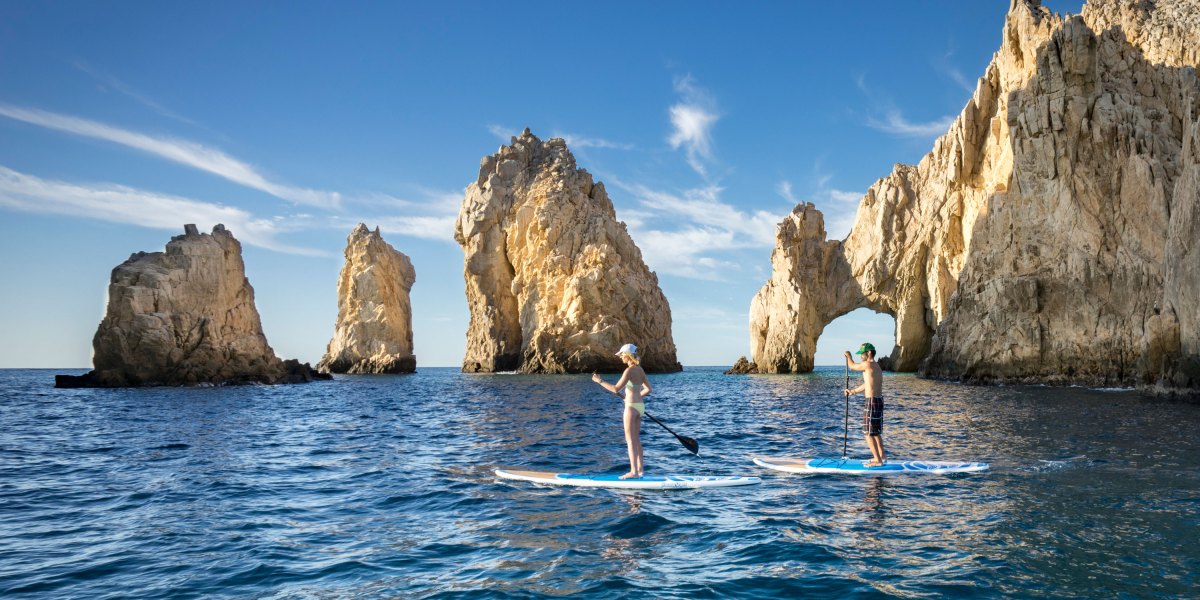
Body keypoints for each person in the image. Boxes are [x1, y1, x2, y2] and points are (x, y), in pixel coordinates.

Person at [592, 343, 652, 479]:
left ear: (627, 355)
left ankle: (634, 472)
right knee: (636, 439)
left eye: (621, 355)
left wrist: (599, 381)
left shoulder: (629, 371)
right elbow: (648, 389)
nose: (620, 358)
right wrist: (634, 397)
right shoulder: (640, 370)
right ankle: (641, 470)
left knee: (630, 440)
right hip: (640, 406)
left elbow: (615, 389)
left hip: (631, 408)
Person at [845, 342, 887, 467]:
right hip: (878, 400)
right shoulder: (876, 366)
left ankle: (877, 460)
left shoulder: (867, 364)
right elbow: (867, 385)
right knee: (875, 432)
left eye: (862, 353)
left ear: (869, 353)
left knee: (867, 433)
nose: (861, 356)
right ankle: (882, 456)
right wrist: (853, 391)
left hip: (872, 402)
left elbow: (852, 366)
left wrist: (848, 356)